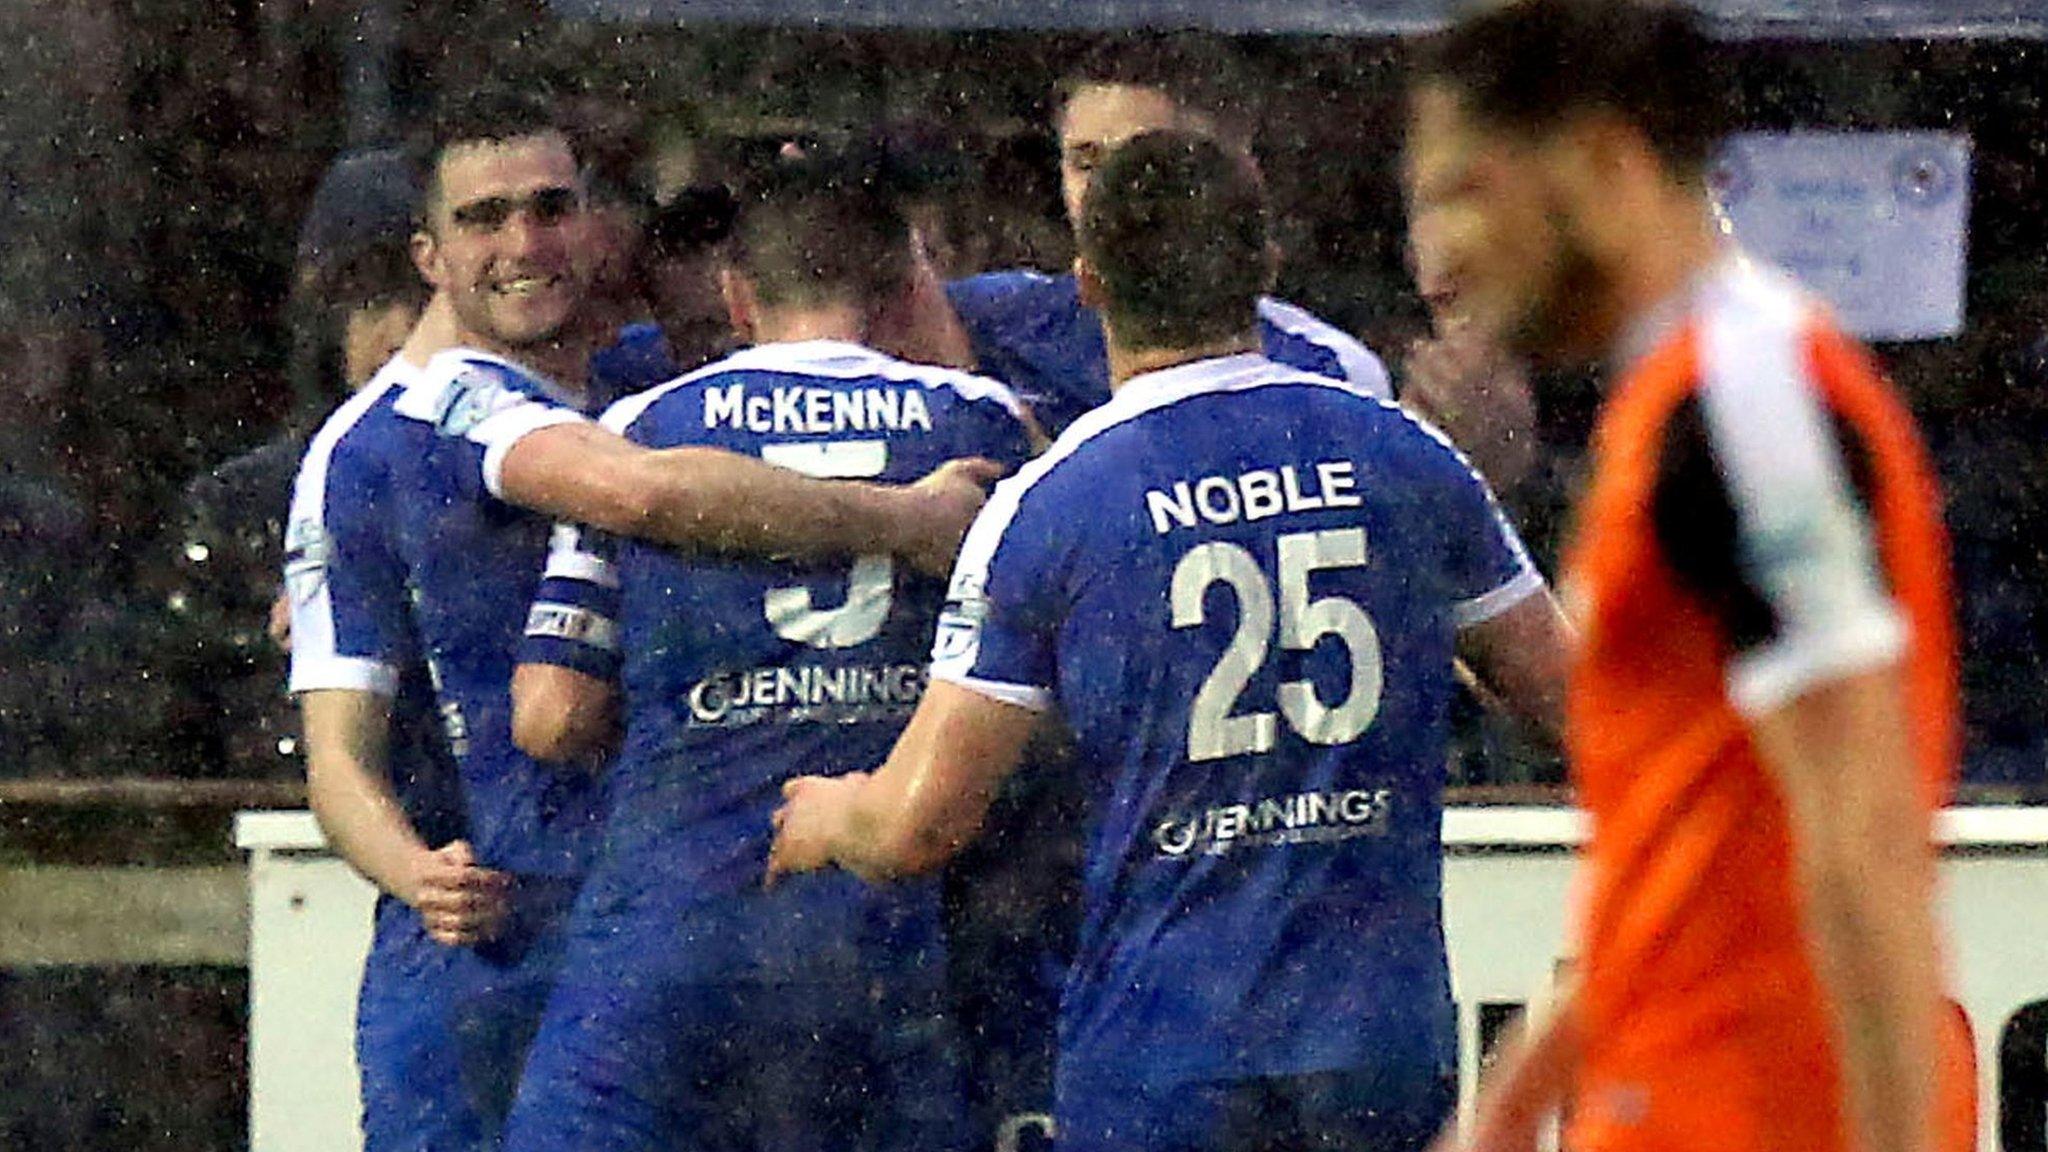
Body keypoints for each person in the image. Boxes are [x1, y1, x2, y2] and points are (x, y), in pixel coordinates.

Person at [769, 130, 1569, 1152]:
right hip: (1375, 1040)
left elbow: (917, 827)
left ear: (1089, 285)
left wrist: (832, 816)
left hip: (1165, 1051)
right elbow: (1582, 708)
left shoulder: (1053, 504)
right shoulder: (1405, 458)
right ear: (1264, 267)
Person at [287, 87, 1002, 1151]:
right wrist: (412, 872)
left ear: (595, 220)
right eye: (484, 219)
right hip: (492, 946)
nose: (524, 243)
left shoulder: (642, 386)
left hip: (663, 937)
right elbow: (337, 749)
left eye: (550, 207)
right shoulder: (414, 426)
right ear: (427, 255)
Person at [1404, 3, 1973, 1151]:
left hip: (1768, 1111)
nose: (1441, 248)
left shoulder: (1743, 399)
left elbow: (1857, 821)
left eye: (1467, 189)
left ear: (1602, 163)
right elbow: (1697, 822)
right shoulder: (1685, 397)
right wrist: (1528, 1081)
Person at [495, 147, 1034, 1152]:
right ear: (895, 288)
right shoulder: (984, 427)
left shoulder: (646, 427)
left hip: (673, 928)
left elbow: (551, 712)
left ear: (737, 299)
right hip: (882, 943)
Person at [925, 36, 1394, 438]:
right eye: (1085, 163)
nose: (1104, 192)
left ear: (1232, 171)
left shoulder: (1326, 370)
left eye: (1142, 164)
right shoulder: (981, 321)